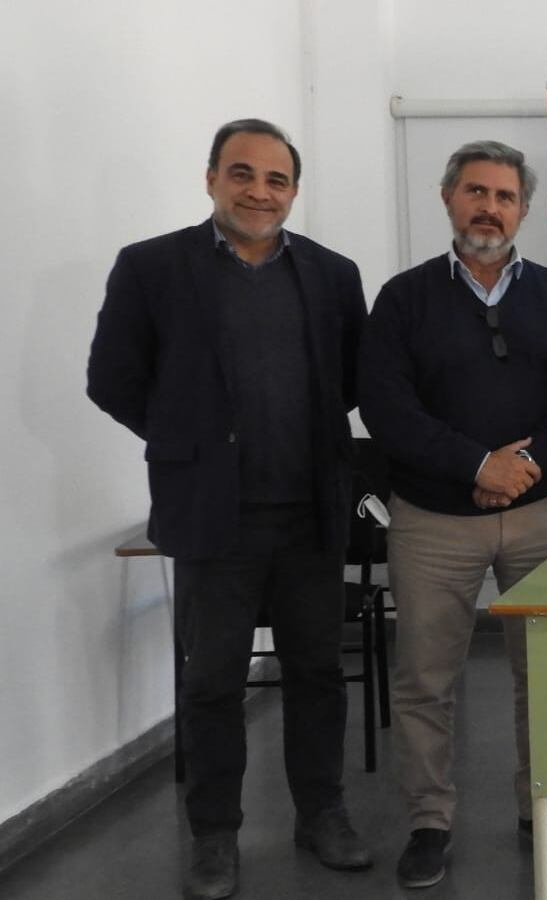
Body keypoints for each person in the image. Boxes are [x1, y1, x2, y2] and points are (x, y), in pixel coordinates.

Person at [86, 118, 371, 900]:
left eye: (276, 180)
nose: (259, 191)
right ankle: (213, 835)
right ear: (211, 177)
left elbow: (350, 380)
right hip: (214, 517)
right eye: (242, 174)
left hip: (311, 510)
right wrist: (192, 438)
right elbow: (112, 379)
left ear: (294, 192)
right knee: (212, 681)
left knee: (317, 671)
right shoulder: (151, 269)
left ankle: (324, 814)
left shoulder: (332, 274)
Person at [359, 140, 547, 888]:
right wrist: (475, 465)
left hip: (544, 514)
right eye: (475, 192)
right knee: (425, 677)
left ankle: (545, 806)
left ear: (524, 211)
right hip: (434, 520)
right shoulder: (403, 300)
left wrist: (525, 466)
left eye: (505, 197)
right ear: (447, 199)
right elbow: (386, 405)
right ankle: (429, 821)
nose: (489, 208)